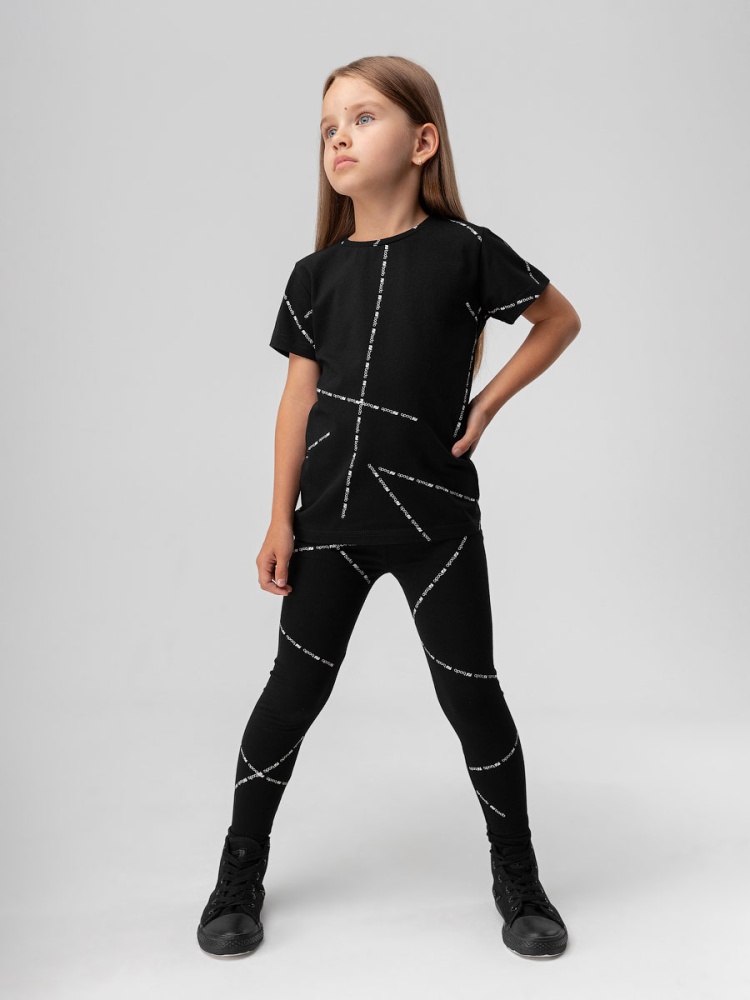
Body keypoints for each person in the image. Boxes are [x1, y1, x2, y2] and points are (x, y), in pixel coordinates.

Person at [197, 54, 581, 962]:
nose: (339, 137)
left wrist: (486, 406)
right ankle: (238, 871)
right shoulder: (313, 275)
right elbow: (297, 402)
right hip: (329, 524)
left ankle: (519, 875)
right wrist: (279, 517)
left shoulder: (467, 250)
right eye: (328, 126)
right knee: (289, 698)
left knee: (471, 696)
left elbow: (559, 319)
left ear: (422, 141)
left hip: (434, 522)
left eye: (363, 118)